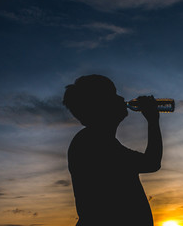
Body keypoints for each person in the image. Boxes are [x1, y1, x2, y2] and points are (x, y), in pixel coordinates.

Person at [63, 74, 163, 226]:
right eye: (113, 95)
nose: (121, 98)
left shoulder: (98, 141)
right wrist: (153, 120)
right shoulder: (93, 144)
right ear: (100, 105)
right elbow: (151, 163)